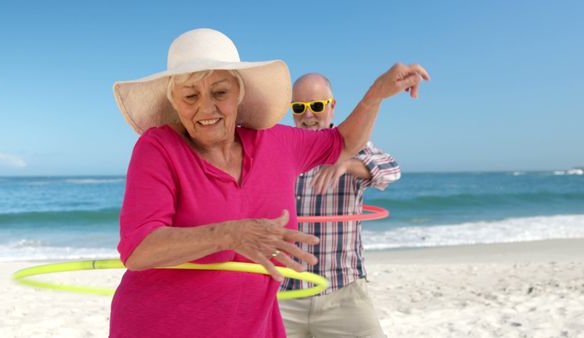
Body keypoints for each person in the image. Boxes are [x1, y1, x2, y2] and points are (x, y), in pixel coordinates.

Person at [110, 28, 429, 338]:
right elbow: (139, 249)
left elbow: (342, 142)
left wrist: (376, 95)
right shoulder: (159, 148)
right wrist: (229, 234)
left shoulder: (275, 143)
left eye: (219, 92)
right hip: (161, 327)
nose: (206, 108)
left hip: (252, 328)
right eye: (190, 96)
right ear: (175, 103)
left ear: (239, 93)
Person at [280, 73, 404, 338]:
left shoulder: (351, 145)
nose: (308, 115)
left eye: (316, 106)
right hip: (285, 294)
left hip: (343, 292)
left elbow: (391, 170)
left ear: (332, 105)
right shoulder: (282, 149)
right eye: (299, 107)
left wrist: (347, 164)